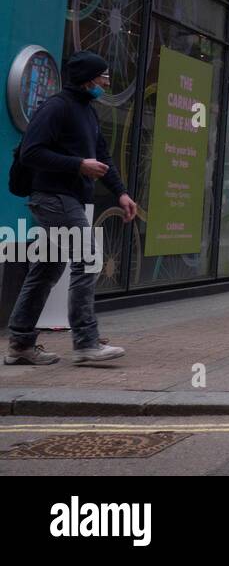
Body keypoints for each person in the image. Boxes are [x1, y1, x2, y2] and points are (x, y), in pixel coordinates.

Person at [6, 51, 138, 366]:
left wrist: (121, 193)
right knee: (88, 258)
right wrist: (78, 164)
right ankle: (86, 342)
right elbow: (31, 152)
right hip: (53, 196)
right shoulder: (56, 107)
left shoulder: (88, 112)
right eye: (103, 77)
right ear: (87, 79)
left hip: (69, 199)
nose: (106, 83)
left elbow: (103, 158)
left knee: (46, 269)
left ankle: (21, 344)